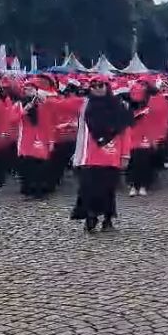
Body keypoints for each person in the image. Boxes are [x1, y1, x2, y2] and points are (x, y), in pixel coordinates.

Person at [70, 76, 131, 232]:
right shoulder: (85, 106)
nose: (98, 88)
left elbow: (125, 132)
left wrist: (125, 154)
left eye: (101, 85)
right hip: (90, 155)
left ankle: (108, 219)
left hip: (112, 154)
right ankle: (91, 216)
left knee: (108, 190)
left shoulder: (119, 106)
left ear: (107, 86)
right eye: (94, 85)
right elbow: (82, 131)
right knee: (89, 188)